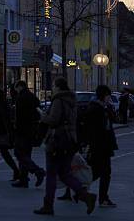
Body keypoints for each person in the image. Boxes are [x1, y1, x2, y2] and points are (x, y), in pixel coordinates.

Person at [34, 77, 97, 216]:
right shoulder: (72, 101)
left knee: (51, 174)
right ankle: (85, 196)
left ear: (58, 87)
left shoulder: (58, 100)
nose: (53, 88)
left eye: (54, 86)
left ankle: (48, 205)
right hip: (69, 142)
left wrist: (43, 116)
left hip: (57, 141)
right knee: (65, 173)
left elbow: (53, 120)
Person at [84, 85, 118, 207]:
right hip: (100, 146)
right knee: (103, 172)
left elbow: (114, 119)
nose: (110, 98)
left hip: (103, 145)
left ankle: (79, 190)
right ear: (104, 96)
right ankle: (102, 198)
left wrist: (109, 108)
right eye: (108, 96)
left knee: (97, 171)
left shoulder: (103, 108)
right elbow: (96, 130)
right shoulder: (95, 109)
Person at [12, 80, 45, 188]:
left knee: (19, 153)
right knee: (26, 154)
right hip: (31, 130)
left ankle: (37, 171)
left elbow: (20, 116)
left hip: (22, 130)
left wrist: (16, 128)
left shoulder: (21, 98)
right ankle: (23, 179)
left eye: (16, 88)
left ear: (19, 87)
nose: (15, 91)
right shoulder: (31, 96)